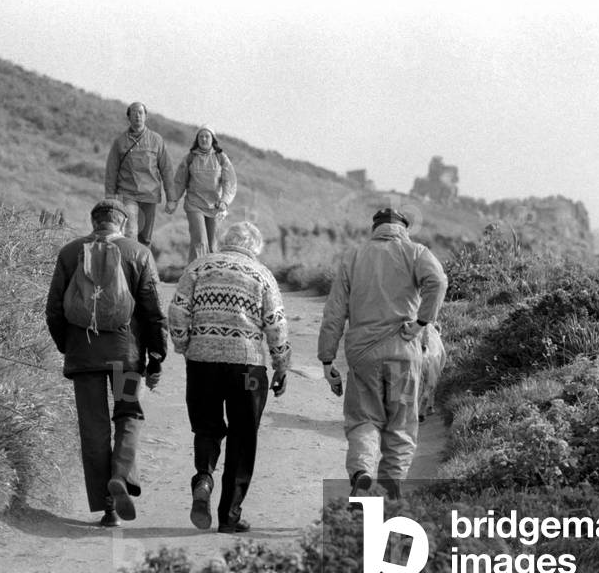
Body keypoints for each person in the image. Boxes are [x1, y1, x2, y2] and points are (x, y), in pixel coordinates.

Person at [45, 199, 169, 527]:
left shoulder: (70, 253)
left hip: (83, 358)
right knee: (129, 415)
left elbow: (54, 310)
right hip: (126, 360)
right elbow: (153, 311)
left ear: (93, 221)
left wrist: (67, 346)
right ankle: (121, 474)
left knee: (94, 428)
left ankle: (107, 507)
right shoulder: (139, 253)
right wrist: (156, 357)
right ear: (122, 223)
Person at [168, 221, 290, 533]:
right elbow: (275, 324)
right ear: (256, 248)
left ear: (225, 242)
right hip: (247, 369)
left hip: (203, 364)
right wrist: (281, 365)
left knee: (207, 427)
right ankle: (229, 516)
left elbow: (178, 310)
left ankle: (204, 478)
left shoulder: (199, 267)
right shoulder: (261, 274)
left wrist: (185, 346)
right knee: (243, 436)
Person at [317, 208, 448, 500]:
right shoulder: (416, 252)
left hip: (363, 357)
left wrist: (327, 359)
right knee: (400, 428)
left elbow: (334, 312)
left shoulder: (354, 256)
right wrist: (422, 322)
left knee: (364, 420)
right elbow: (438, 282)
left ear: (374, 229)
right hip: (403, 355)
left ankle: (362, 474)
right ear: (404, 229)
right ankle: (388, 498)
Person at [104, 101, 175, 247]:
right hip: (128, 194)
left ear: (146, 116)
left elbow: (166, 169)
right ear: (128, 117)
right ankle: (129, 264)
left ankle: (140, 266)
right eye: (134, 113)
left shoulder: (156, 140)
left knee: (145, 238)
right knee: (130, 232)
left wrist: (171, 198)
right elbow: (111, 171)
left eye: (141, 113)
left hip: (150, 195)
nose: (137, 116)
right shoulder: (120, 142)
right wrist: (110, 197)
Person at [166, 125, 237, 263]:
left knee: (212, 245)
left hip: (215, 206)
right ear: (197, 139)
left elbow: (230, 181)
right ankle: (194, 273)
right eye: (201, 136)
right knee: (200, 240)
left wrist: (225, 201)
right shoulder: (190, 158)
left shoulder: (221, 158)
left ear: (213, 139)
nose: (204, 139)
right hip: (194, 204)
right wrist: (173, 200)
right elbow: (179, 181)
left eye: (207, 136)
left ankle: (210, 274)